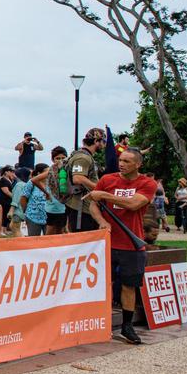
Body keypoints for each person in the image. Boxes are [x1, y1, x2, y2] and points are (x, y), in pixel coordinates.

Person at [88, 147, 157, 345]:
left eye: (127, 161)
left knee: (129, 285)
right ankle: (101, 320)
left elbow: (134, 204)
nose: (122, 164)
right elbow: (93, 203)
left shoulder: (147, 183)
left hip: (131, 243)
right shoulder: (107, 180)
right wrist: (101, 220)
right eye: (121, 160)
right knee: (103, 283)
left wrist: (104, 196)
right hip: (107, 242)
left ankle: (127, 325)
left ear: (138, 164)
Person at [63, 128, 105, 232]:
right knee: (83, 242)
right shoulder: (83, 157)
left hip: (85, 207)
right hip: (81, 208)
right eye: (103, 141)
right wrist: (100, 189)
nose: (104, 145)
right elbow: (78, 178)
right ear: (96, 141)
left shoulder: (86, 156)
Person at [30, 147, 69, 235]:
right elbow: (34, 180)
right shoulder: (51, 171)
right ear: (53, 160)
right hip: (53, 207)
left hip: (65, 206)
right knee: (50, 232)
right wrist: (46, 192)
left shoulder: (67, 170)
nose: (60, 160)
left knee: (61, 231)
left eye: (63, 158)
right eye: (57, 158)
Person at [18, 163, 53, 237]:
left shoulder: (51, 183)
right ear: (39, 173)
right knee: (33, 240)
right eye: (46, 172)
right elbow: (23, 198)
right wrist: (26, 211)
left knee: (49, 241)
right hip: (33, 217)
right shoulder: (31, 183)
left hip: (49, 217)